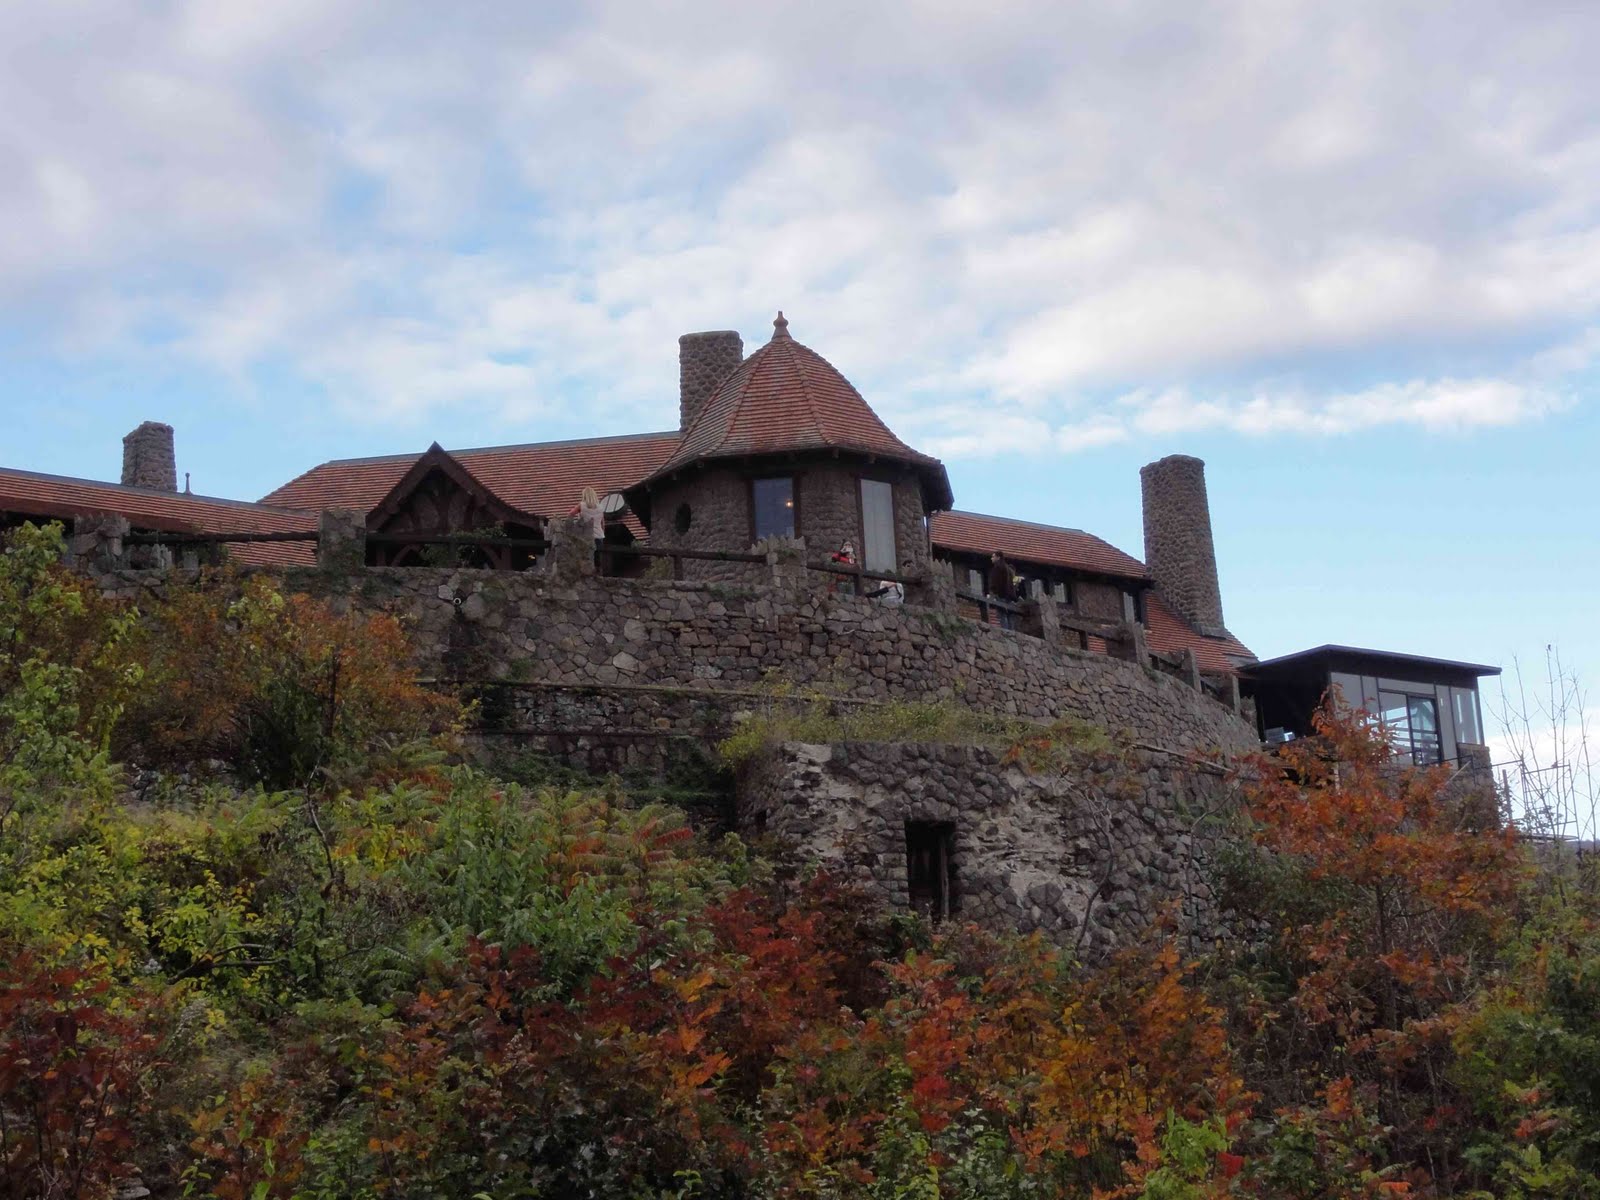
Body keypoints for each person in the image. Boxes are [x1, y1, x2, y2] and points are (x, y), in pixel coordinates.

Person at [573, 487, 605, 566]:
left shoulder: (581, 505)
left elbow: (570, 514)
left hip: (586, 536)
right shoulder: (600, 507)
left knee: (586, 558)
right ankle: (598, 574)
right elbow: (603, 524)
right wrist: (602, 534)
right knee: (598, 559)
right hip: (599, 536)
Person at [987, 551, 1018, 628]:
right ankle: (1012, 631)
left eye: (993, 557)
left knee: (1002, 613)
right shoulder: (1009, 569)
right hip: (1010, 596)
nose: (991, 558)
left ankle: (1005, 631)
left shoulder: (998, 568)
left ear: (998, 557)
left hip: (1001, 595)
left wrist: (994, 592)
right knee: (1009, 615)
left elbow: (997, 582)